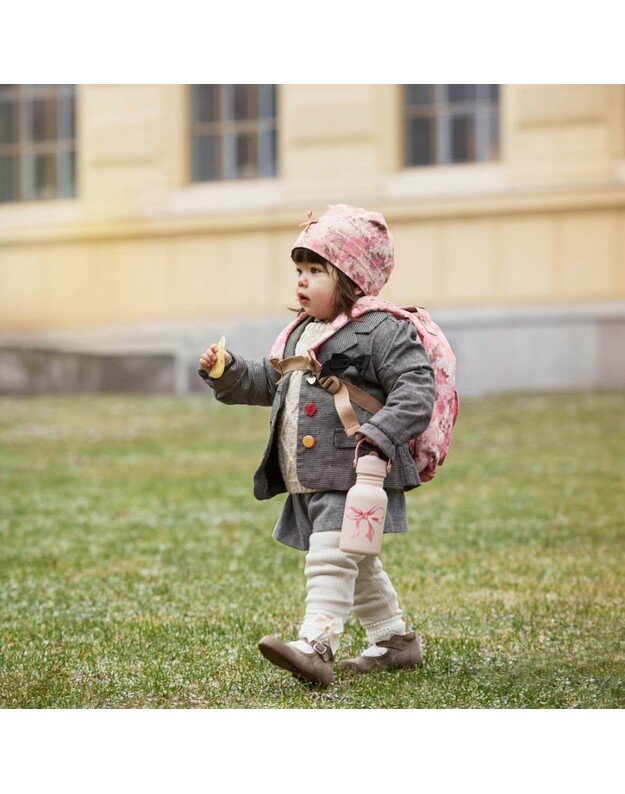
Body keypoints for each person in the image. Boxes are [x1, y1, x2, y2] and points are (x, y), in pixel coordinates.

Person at [198, 204, 435, 687]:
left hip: (357, 469)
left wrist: (380, 436)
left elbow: (417, 388)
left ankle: (317, 646)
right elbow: (273, 380)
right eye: (299, 271)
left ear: (351, 276)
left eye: (315, 270)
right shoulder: (302, 331)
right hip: (311, 473)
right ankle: (395, 642)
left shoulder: (384, 329)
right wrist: (227, 372)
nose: (301, 281)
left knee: (329, 554)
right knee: (356, 555)